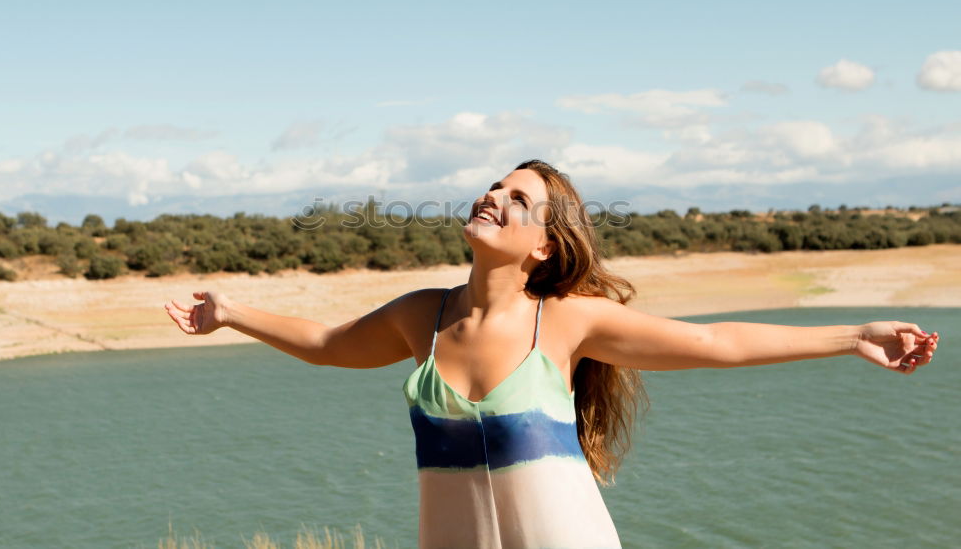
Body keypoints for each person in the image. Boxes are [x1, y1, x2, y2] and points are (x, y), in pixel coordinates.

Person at [163, 159, 940, 549]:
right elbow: (331, 346)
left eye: (519, 199)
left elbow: (713, 342)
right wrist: (231, 313)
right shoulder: (420, 319)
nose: (493, 197)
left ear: (543, 246)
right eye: (493, 186)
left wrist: (852, 337)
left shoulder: (565, 324)